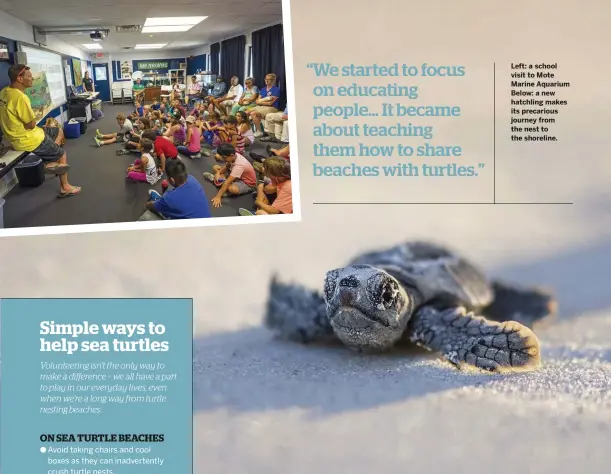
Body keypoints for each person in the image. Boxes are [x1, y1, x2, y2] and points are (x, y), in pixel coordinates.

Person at [0, 64, 81, 197]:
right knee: (62, 154)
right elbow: (31, 125)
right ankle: (65, 186)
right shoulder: (20, 97)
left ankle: (50, 161)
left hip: (14, 136)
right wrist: (37, 114)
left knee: (57, 131)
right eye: (29, 76)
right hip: (27, 138)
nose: (32, 78)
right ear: (20, 79)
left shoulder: (4, 92)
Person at [145, 159, 211, 219]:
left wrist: (149, 204)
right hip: (210, 227)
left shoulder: (169, 198)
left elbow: (150, 206)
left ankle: (160, 203)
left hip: (188, 231)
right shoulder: (192, 179)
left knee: (149, 213)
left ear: (172, 180)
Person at [203, 143, 257, 208]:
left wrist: (218, 196)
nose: (222, 159)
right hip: (236, 175)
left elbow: (227, 182)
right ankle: (220, 182)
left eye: (224, 157)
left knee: (232, 189)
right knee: (215, 167)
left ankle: (218, 181)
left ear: (231, 155)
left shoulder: (239, 165)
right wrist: (218, 173)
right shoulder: (234, 156)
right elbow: (227, 166)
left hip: (247, 183)